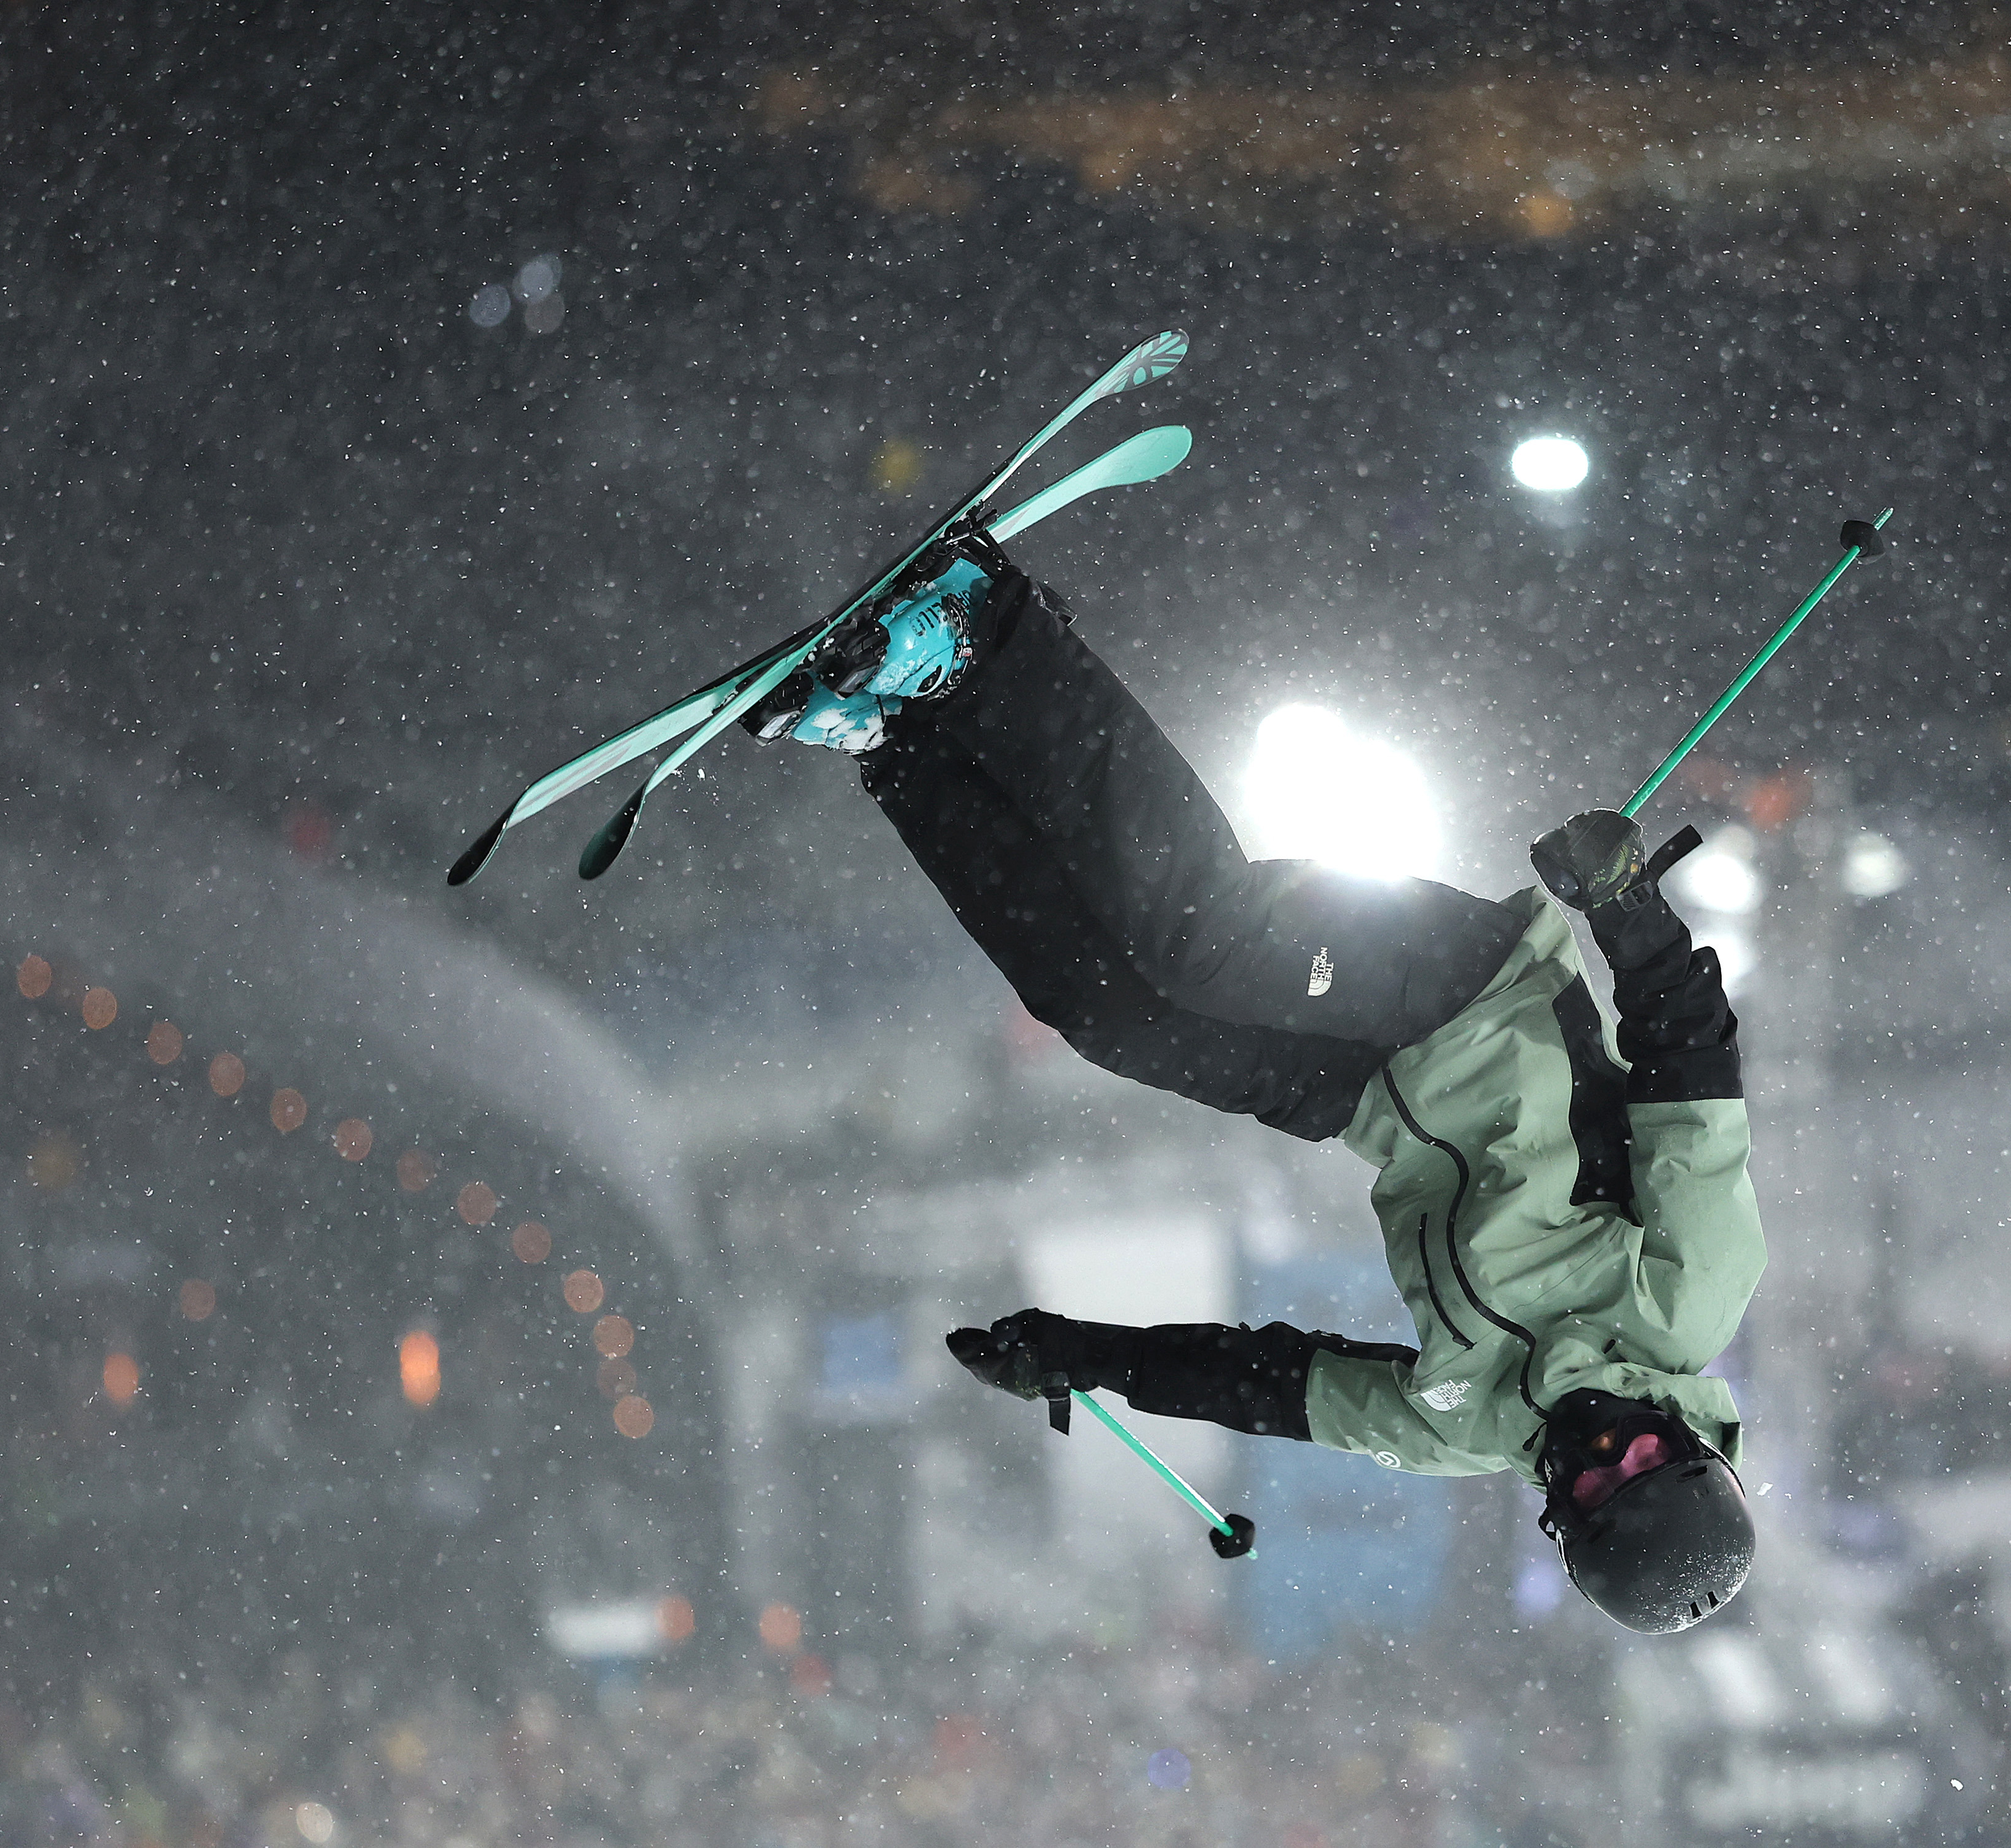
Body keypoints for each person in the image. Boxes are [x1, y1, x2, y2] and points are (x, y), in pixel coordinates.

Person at [745, 527, 1766, 1635]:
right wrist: (1625, 908)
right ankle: (987, 632)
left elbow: (1269, 1385)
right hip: (1475, 997)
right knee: (1209, 942)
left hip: (1369, 1098)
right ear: (1696, 1444)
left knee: (1113, 1018)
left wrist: (1082, 1358)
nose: (1610, 1445)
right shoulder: (1691, 1290)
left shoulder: (1460, 1424)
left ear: (1558, 1516)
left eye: (1592, 1483)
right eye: (1650, 1452)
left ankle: (899, 742)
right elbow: (1688, 1065)